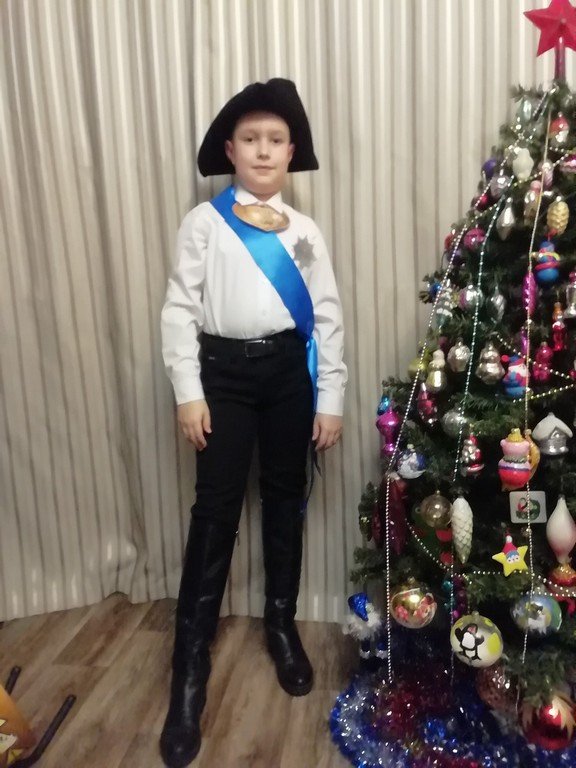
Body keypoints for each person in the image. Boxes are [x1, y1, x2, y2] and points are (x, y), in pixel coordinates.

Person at [159, 77, 347, 768]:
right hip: (223, 379)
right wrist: (188, 392)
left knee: (285, 500)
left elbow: (326, 316)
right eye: (250, 139)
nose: (263, 150)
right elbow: (179, 310)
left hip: (288, 378)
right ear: (230, 151)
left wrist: (330, 397)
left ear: (291, 152)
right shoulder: (205, 224)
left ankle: (280, 625)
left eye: (276, 140)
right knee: (215, 511)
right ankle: (189, 665)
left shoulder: (305, 232)